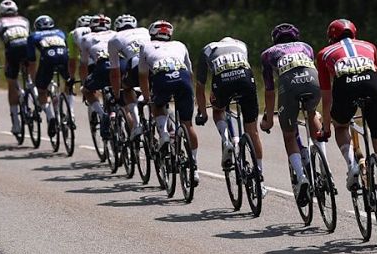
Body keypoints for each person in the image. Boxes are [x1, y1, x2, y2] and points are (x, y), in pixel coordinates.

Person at [316, 19, 377, 221]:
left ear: (331, 38)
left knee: (341, 126)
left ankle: (352, 164)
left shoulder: (324, 53)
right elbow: (374, 73)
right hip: (373, 87)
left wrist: (326, 127)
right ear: (354, 34)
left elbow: (327, 96)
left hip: (345, 87)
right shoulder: (369, 46)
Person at [260, 23, 328, 206]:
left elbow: (269, 90)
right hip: (313, 81)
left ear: (275, 39)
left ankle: (301, 176)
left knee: (289, 134)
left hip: (289, 86)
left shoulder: (268, 54)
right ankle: (324, 166)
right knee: (311, 111)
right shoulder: (306, 47)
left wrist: (268, 116)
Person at [195, 33, 265, 181]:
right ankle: (259, 172)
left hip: (222, 82)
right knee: (253, 131)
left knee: (218, 111)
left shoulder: (208, 49)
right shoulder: (241, 45)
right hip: (245, 80)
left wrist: (202, 112)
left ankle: (227, 140)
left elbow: (200, 86)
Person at [138, 20, 199, 182]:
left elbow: (143, 76)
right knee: (187, 124)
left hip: (161, 77)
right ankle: (194, 166)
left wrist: (146, 97)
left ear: (152, 35)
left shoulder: (145, 46)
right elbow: (190, 72)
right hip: (183, 78)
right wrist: (190, 93)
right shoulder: (180, 45)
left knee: (157, 106)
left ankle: (164, 133)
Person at [0, 0, 33, 139]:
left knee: (11, 82)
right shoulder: (24, 20)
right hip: (27, 47)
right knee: (30, 75)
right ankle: (35, 93)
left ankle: (15, 122)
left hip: (12, 49)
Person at [28, 15, 73, 137]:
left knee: (42, 91)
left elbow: (32, 61)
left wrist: (34, 80)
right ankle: (71, 113)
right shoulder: (60, 32)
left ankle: (50, 116)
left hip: (47, 58)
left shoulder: (33, 36)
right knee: (69, 83)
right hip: (63, 57)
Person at [108, 14, 152, 139]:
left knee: (126, 88)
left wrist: (116, 95)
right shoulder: (144, 30)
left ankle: (137, 124)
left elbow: (115, 72)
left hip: (136, 64)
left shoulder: (114, 39)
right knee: (156, 94)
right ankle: (167, 129)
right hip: (154, 63)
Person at [76, 14, 117, 144]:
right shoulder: (116, 34)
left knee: (87, 89)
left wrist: (84, 83)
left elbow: (83, 65)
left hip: (100, 65)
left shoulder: (86, 38)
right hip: (118, 66)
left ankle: (102, 114)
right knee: (124, 93)